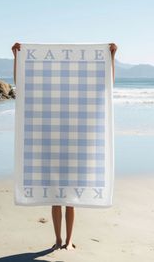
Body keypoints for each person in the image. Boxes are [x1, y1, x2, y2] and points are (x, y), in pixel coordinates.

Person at [11, 42, 118, 251]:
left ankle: (68, 240)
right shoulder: (47, 97)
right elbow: (22, 85)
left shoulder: (80, 97)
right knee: (54, 197)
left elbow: (106, 88)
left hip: (74, 150)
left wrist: (111, 58)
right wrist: (17, 57)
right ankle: (58, 240)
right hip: (50, 148)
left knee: (70, 198)